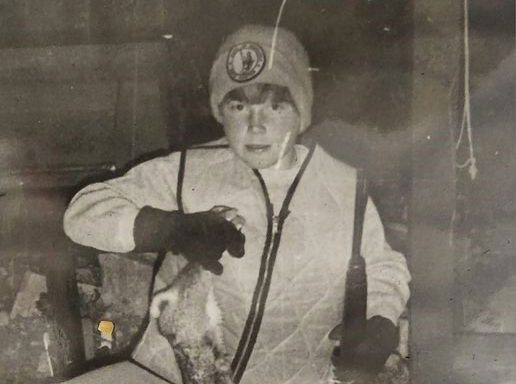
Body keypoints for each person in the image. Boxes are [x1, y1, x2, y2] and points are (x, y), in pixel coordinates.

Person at [62, 24, 410, 384]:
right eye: (239, 105)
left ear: (301, 113)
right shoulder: (189, 170)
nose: (255, 126)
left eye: (275, 106)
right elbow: (81, 213)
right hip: (173, 375)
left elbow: (384, 267)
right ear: (220, 111)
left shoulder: (346, 186)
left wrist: (382, 320)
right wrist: (168, 228)